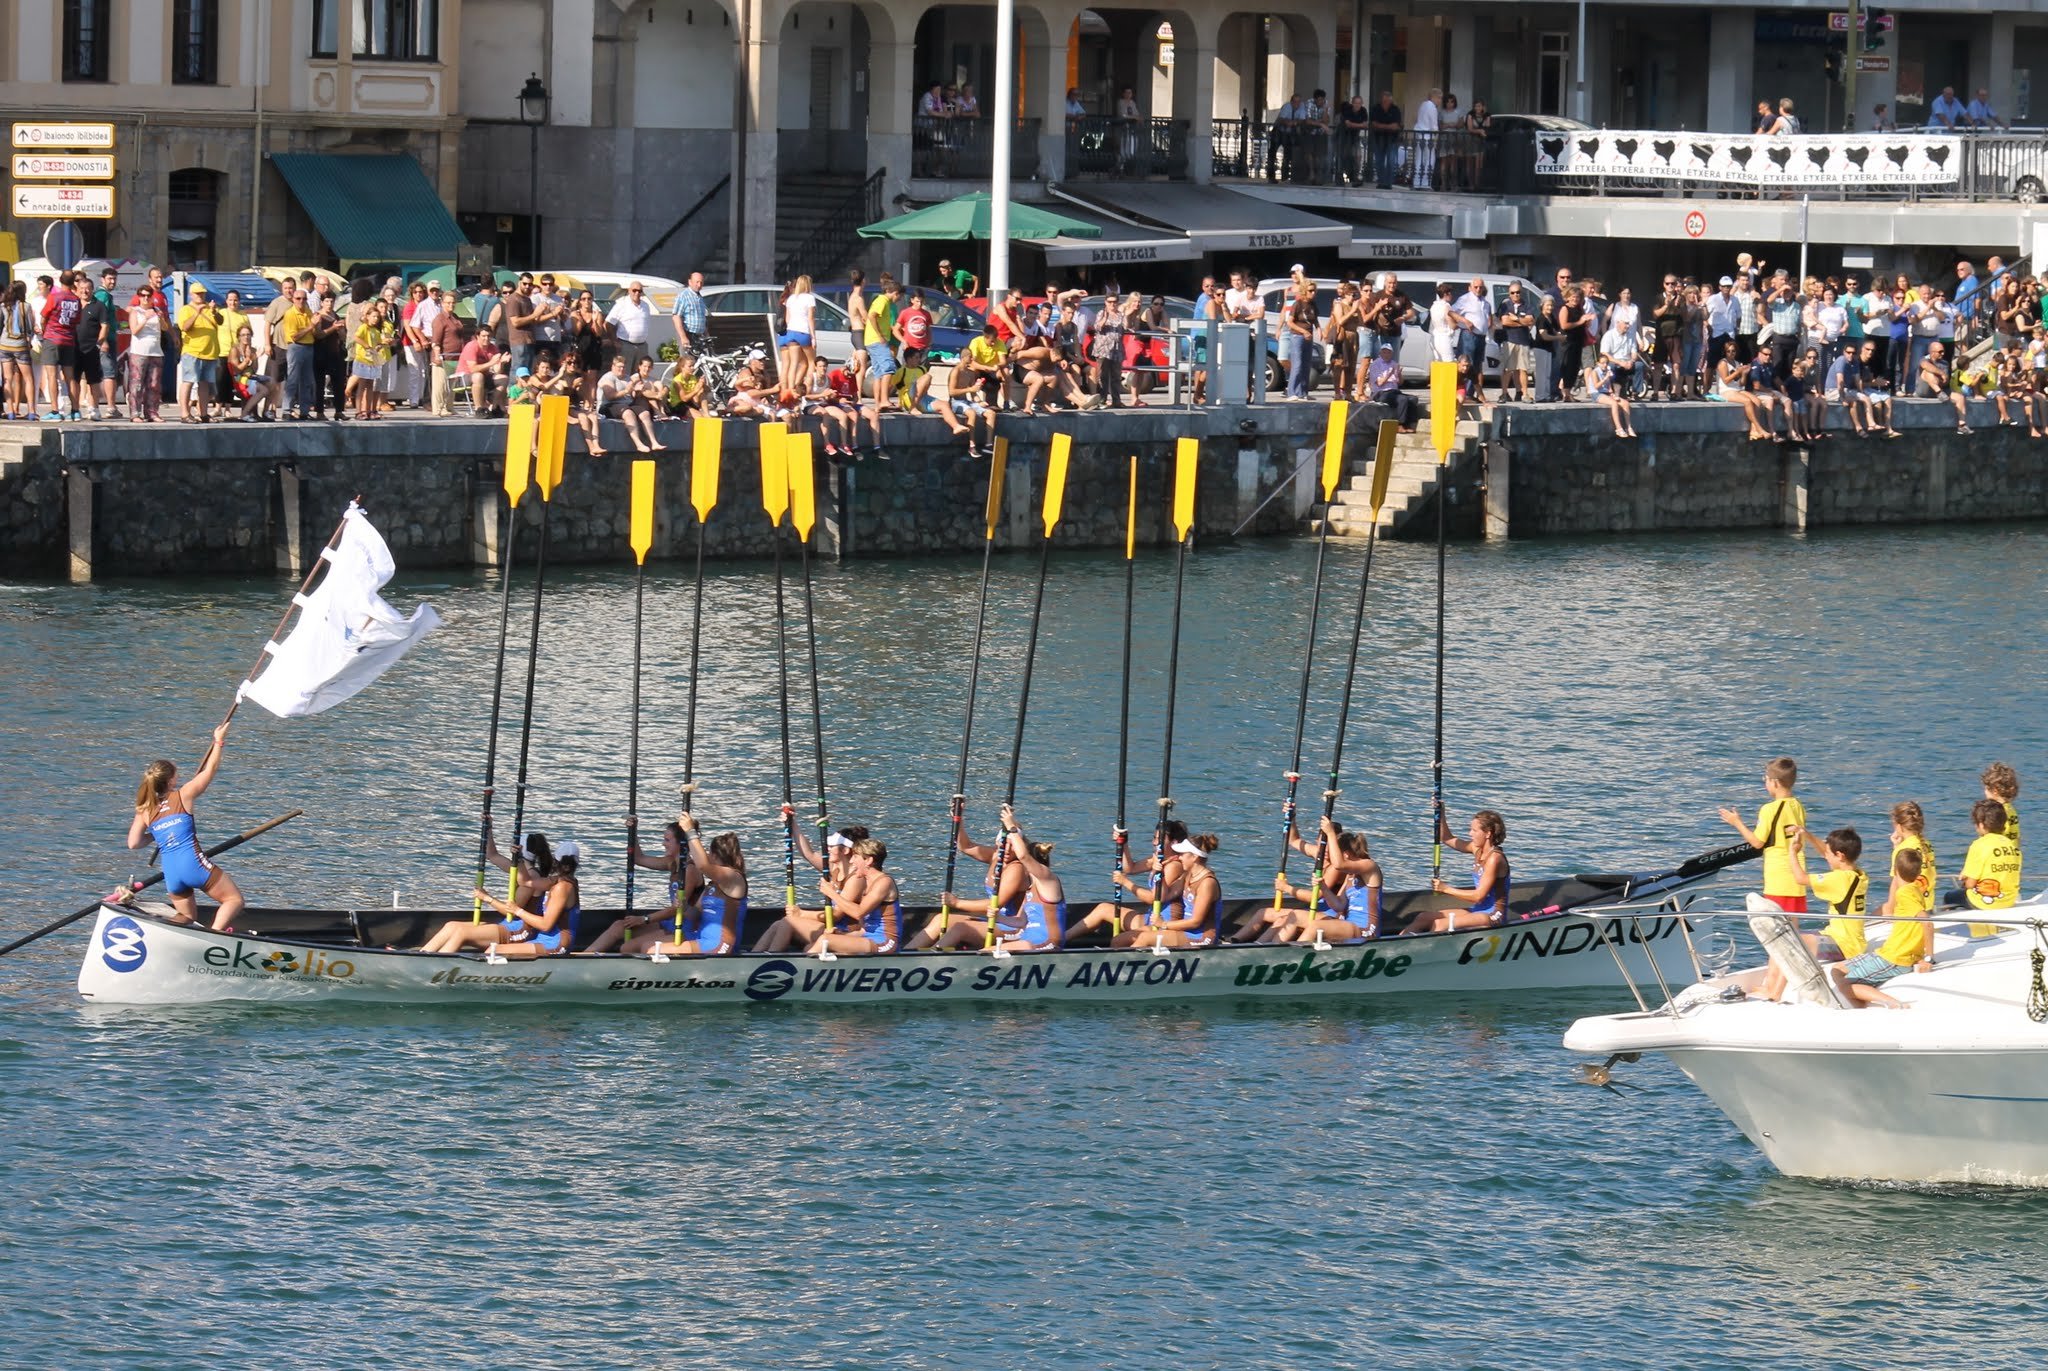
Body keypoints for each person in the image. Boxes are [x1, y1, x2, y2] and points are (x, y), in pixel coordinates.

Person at [124, 725, 245, 931]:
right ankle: (213, 936)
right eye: (176, 774)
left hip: (171, 872)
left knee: (187, 917)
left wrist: (158, 833)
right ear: (170, 780)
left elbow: (134, 843)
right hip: (193, 865)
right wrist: (218, 741)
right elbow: (211, 770)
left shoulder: (145, 809)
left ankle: (160, 933)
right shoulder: (183, 795)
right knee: (233, 900)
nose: (179, 777)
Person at [430, 840, 583, 957]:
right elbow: (526, 882)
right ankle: (427, 956)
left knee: (493, 951)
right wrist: (519, 859)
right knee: (457, 929)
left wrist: (517, 910)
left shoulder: (563, 887)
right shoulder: (557, 881)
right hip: (545, 940)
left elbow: (545, 925)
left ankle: (445, 970)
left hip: (556, 944)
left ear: (556, 861)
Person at [1832, 846, 1936, 1008]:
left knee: (1846, 985)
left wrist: (1929, 958)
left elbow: (1927, 922)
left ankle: (1892, 1003)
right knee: (1837, 969)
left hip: (1896, 958)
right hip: (1887, 952)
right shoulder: (1914, 888)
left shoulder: (1905, 893)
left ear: (1895, 870)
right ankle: (1859, 1005)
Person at [1064, 819, 1190, 947]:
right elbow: (1130, 868)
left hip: (1164, 921)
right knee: (1103, 909)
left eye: (1159, 839)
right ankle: (1061, 939)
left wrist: (1125, 882)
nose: (1154, 842)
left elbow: (1153, 898)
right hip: (1151, 917)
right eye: (1154, 838)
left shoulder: (1174, 866)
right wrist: (1123, 843)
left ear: (1174, 842)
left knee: (1118, 941)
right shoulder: (1157, 859)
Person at [1402, 808, 1512, 934]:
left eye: (1474, 830)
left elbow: (1478, 896)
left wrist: (1445, 889)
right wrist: (1441, 813)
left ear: (1488, 834)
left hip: (1494, 914)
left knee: (1441, 924)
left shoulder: (1494, 859)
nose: (1470, 834)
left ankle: (1425, 946)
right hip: (1477, 910)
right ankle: (1398, 943)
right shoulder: (1476, 849)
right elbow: (1447, 838)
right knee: (1423, 917)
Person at [1719, 756, 1806, 912]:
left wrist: (1736, 822)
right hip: (1797, 878)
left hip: (1779, 879)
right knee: (1792, 924)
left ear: (1775, 782)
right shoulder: (1797, 805)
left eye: (1765, 779)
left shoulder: (1769, 809)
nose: (1765, 783)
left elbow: (1757, 842)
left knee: (1776, 924)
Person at [652, 817, 748, 955]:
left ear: (715, 856)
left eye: (709, 853)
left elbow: (702, 865)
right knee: (646, 946)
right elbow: (696, 914)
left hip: (720, 944)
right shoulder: (712, 885)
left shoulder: (733, 877)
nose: (707, 856)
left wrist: (690, 831)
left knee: (652, 950)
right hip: (701, 938)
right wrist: (685, 907)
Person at [989, 806, 1065, 952]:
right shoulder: (1030, 887)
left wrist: (1011, 827)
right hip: (1028, 940)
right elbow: (1020, 921)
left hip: (1048, 944)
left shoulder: (1047, 878)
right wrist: (997, 917)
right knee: (988, 950)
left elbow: (1023, 856)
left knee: (1024, 946)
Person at [1127, 833, 1222, 949]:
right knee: (1122, 939)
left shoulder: (1207, 883)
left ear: (1194, 857)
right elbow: (1165, 896)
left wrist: (1163, 924)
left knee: (1144, 938)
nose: (1179, 857)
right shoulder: (1187, 875)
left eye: (1182, 854)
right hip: (1185, 931)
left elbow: (1195, 922)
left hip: (1201, 937)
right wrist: (1160, 872)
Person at [1950, 798, 2023, 938]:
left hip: (1984, 902)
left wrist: (1965, 880)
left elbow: (1970, 884)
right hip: (2009, 900)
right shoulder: (2012, 846)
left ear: (1981, 825)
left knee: (1951, 896)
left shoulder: (1979, 845)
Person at [1916, 341, 1973, 434]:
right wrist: (1940, 373)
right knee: (1928, 372)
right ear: (1932, 352)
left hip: (1941, 389)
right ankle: (1939, 392)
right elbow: (1925, 366)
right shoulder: (1924, 359)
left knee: (1960, 397)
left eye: (1943, 351)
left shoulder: (1945, 363)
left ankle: (1962, 425)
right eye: (1940, 352)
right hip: (1924, 390)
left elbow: (1945, 381)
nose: (1942, 354)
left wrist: (1940, 378)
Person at [777, 273, 818, 393]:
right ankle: (807, 389)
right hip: (804, 331)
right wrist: (813, 337)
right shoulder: (809, 298)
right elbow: (810, 318)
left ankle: (790, 390)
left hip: (791, 331)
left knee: (793, 364)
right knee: (811, 362)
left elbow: (787, 318)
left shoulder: (791, 299)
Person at [1497, 283, 1535, 402]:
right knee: (1507, 369)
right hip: (1509, 340)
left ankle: (1525, 394)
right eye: (1512, 293)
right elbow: (1505, 322)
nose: (1515, 295)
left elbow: (1531, 321)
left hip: (1523, 341)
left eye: (1518, 292)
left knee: (1523, 369)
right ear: (1509, 294)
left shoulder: (1527, 305)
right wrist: (1522, 322)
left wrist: (1517, 319)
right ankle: (1504, 393)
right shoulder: (1505, 305)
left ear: (1521, 293)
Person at [1368, 90, 1402, 189]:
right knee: (1379, 161)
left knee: (1391, 161)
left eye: (1388, 101)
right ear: (1381, 100)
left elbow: (1396, 126)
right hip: (1378, 138)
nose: (1386, 103)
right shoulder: (1375, 109)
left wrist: (1381, 126)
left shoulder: (1395, 109)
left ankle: (1388, 183)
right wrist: (1389, 126)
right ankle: (1381, 182)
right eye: (1384, 101)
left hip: (1392, 139)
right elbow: (1374, 124)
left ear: (1391, 101)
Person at [1983, 761, 2022, 846]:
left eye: (1986, 789)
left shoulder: (1998, 812)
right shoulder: (2011, 809)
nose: (1984, 792)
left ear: (1995, 790)